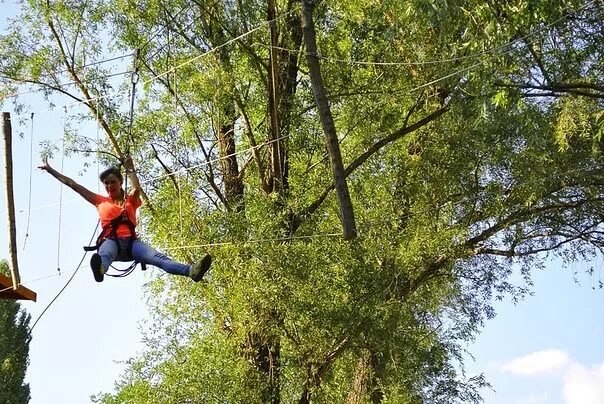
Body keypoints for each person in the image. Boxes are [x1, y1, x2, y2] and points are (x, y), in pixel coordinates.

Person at [38, 155, 211, 283]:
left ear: (120, 182)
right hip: (111, 242)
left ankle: (191, 271)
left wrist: (130, 167)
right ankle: (100, 270)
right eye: (106, 183)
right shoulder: (100, 201)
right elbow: (73, 185)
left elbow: (136, 187)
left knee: (159, 258)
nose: (109, 186)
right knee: (104, 254)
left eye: (112, 182)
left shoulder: (131, 201)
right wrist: (50, 170)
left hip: (132, 245)